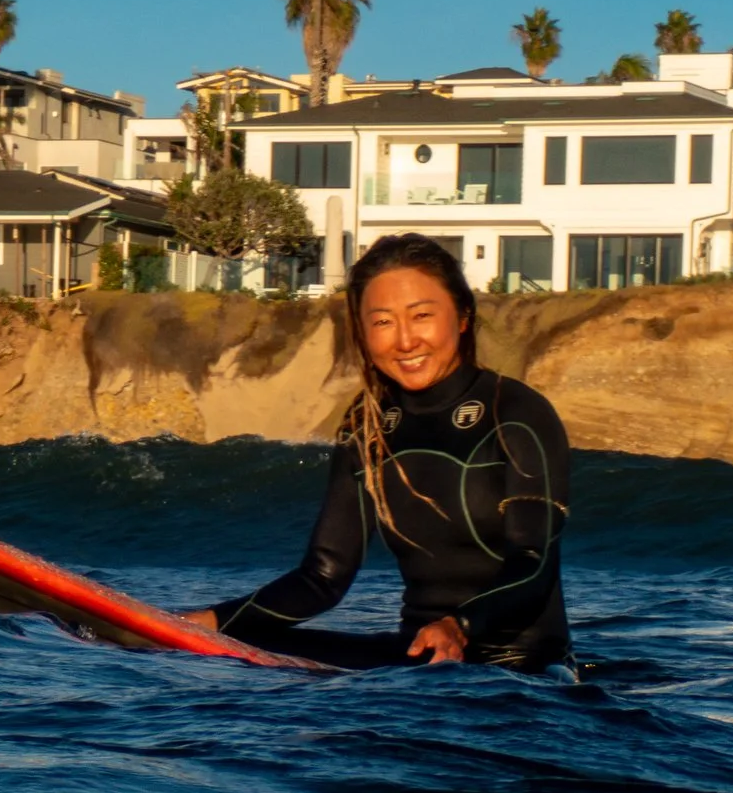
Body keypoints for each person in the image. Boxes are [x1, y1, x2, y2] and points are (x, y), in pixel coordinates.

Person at [182, 233, 572, 672]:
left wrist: (459, 626)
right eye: (383, 322)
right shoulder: (367, 425)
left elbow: (533, 565)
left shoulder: (516, 412)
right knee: (248, 657)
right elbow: (322, 578)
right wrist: (209, 623)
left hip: (523, 670)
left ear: (463, 316)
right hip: (418, 664)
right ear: (363, 332)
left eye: (422, 316)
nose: (405, 341)